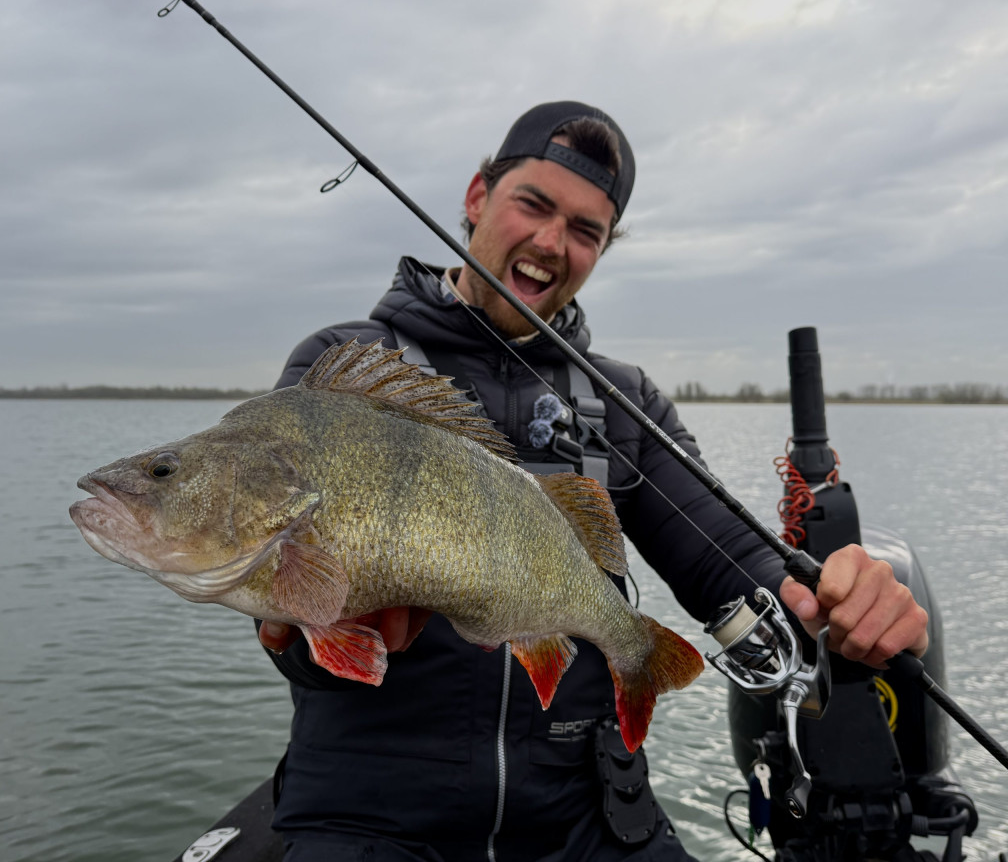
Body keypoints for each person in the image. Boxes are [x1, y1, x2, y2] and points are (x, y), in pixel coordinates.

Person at [257, 101, 929, 861]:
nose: (551, 243)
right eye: (533, 204)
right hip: (368, 815)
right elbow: (281, 616)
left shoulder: (620, 401)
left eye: (586, 230)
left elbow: (729, 557)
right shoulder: (345, 367)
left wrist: (837, 603)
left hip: (586, 815)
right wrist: (308, 632)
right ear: (477, 196)